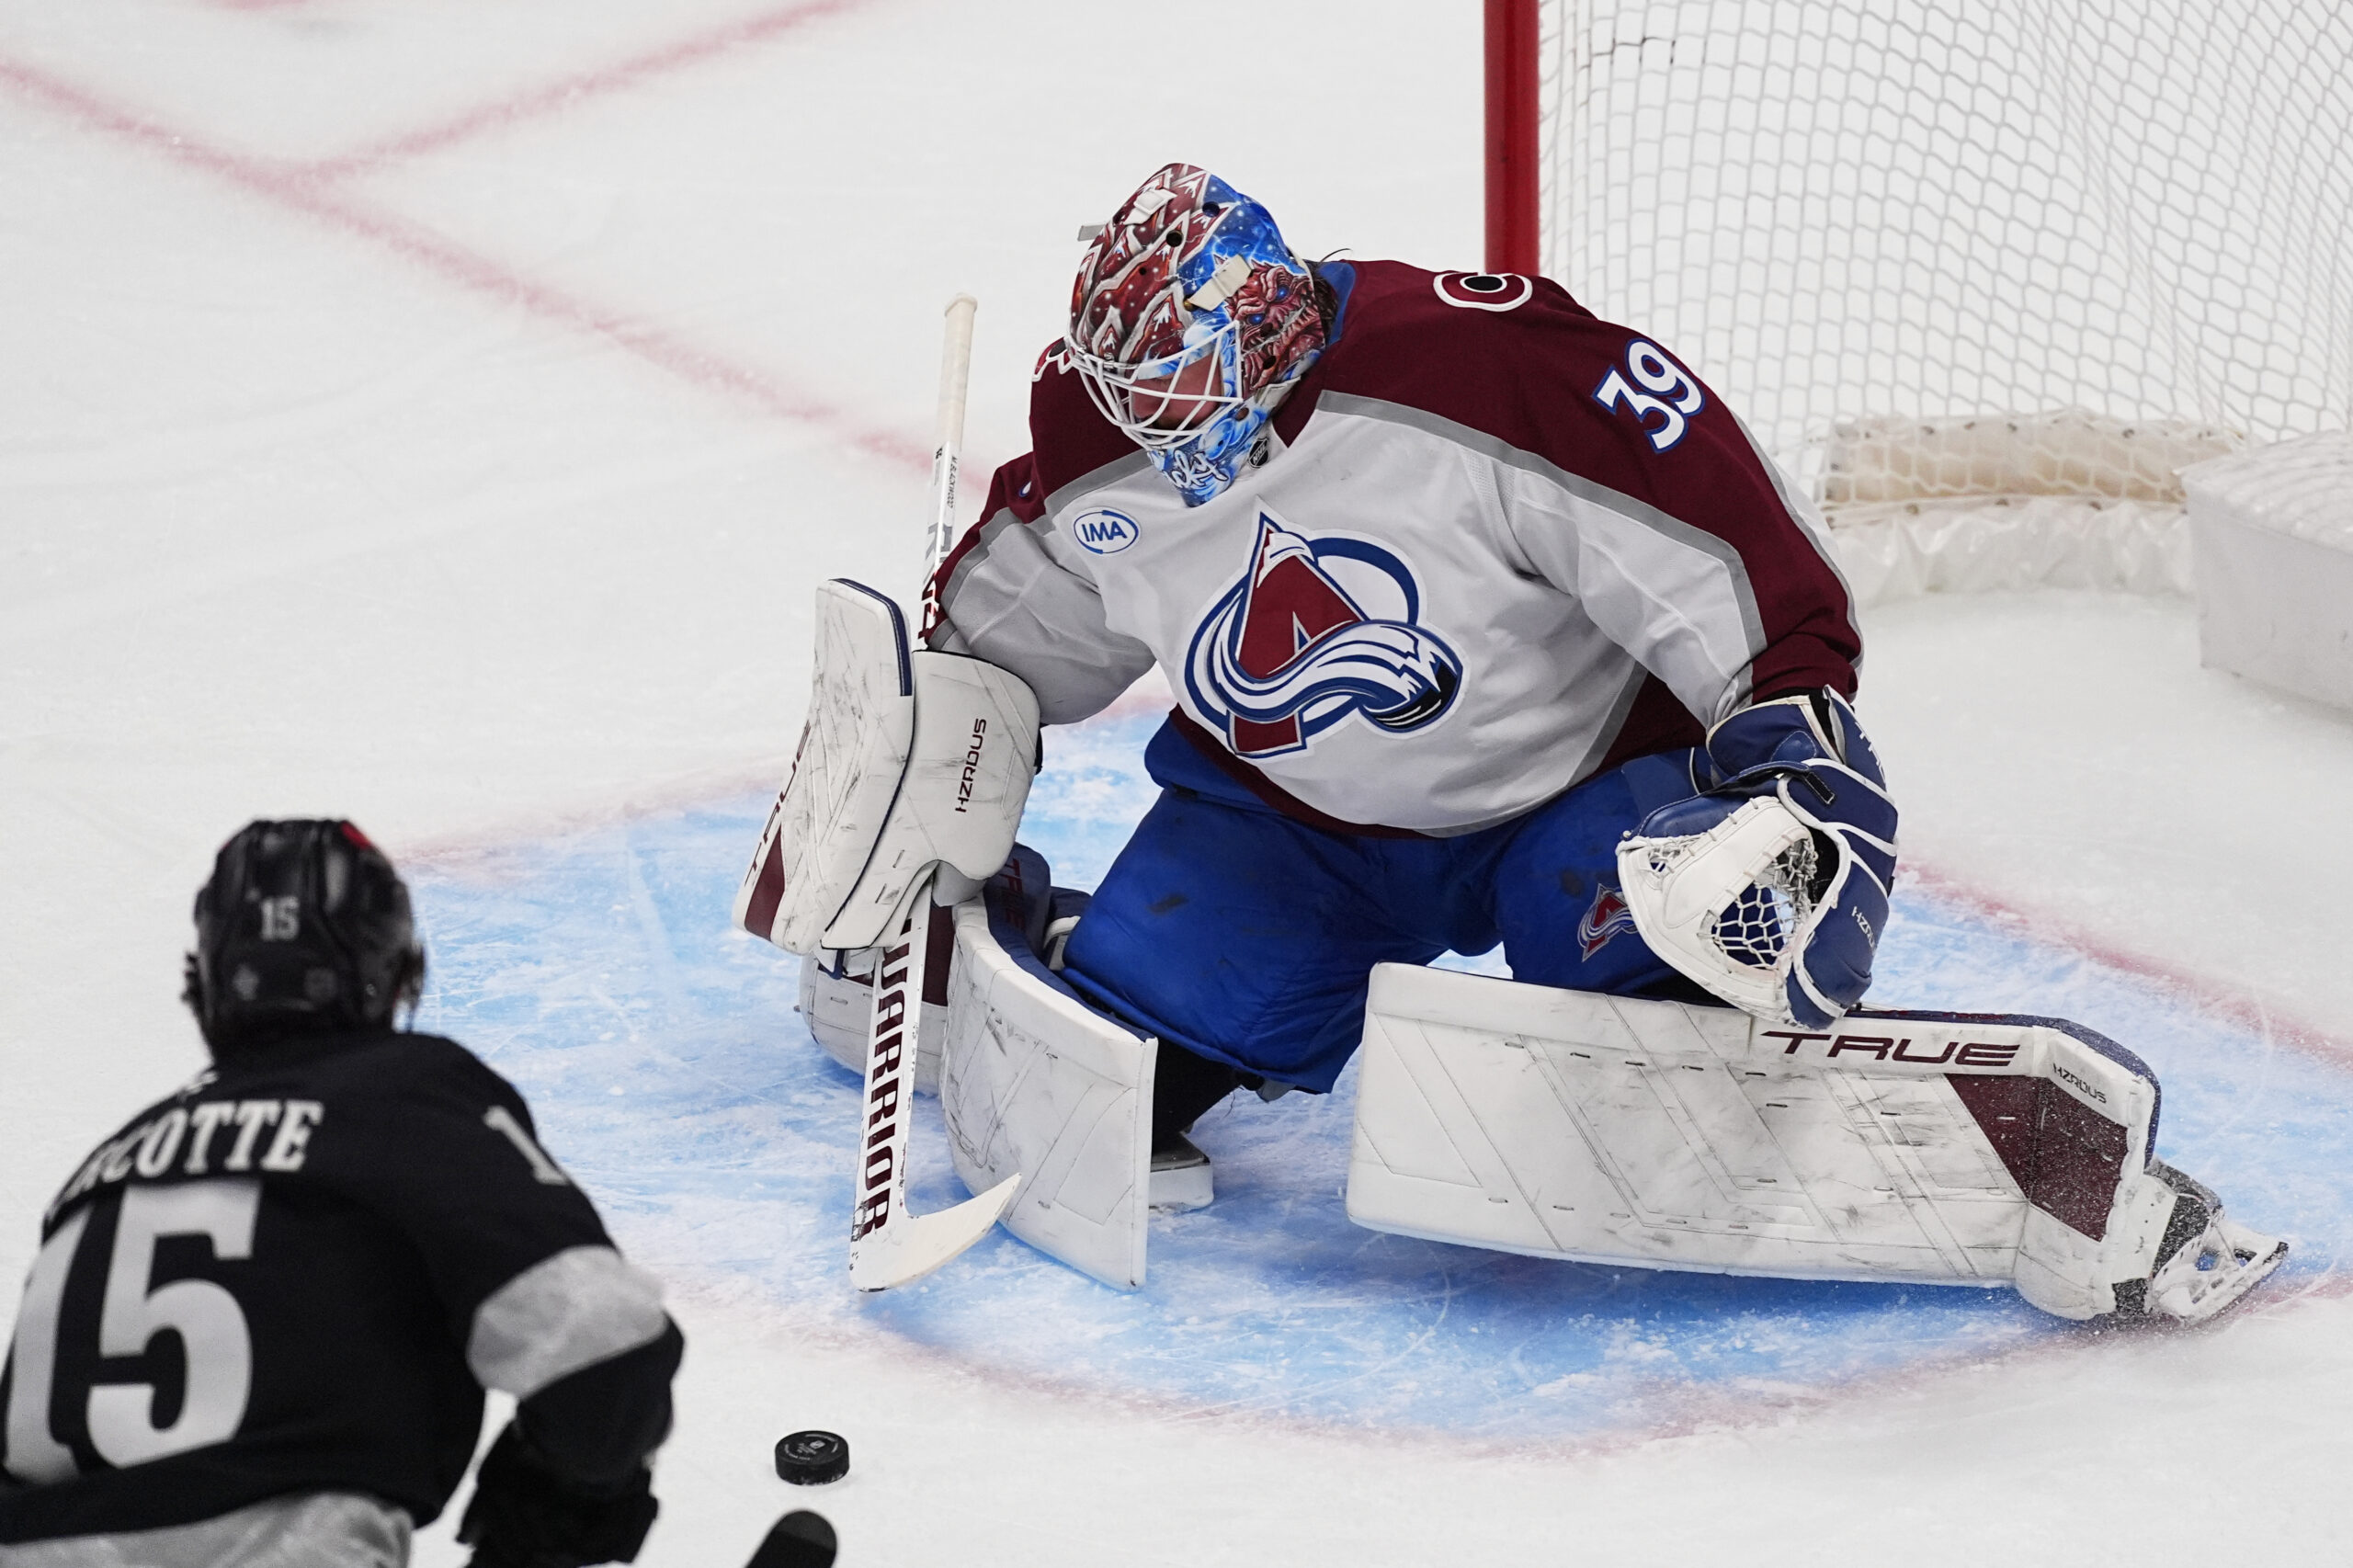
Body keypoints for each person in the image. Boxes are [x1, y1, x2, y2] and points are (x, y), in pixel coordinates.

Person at [925, 163, 1876, 1167]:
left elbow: (1713, 533)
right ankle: (1069, 935)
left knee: (1673, 1002)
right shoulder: (1095, 431)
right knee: (1120, 1065)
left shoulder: (1475, 365)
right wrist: (928, 727)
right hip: (1293, 824)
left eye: (1178, 378)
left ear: (1266, 320)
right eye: (1131, 387)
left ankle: (1708, 1034)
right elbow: (1029, 615)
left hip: (1582, 788)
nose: (1152, 418)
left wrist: (1790, 734)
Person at [0, 821, 681, 1567]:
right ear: (394, 973)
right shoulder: (405, 1094)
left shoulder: (104, 1169)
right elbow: (608, 1345)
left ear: (209, 982)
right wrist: (560, 1501)